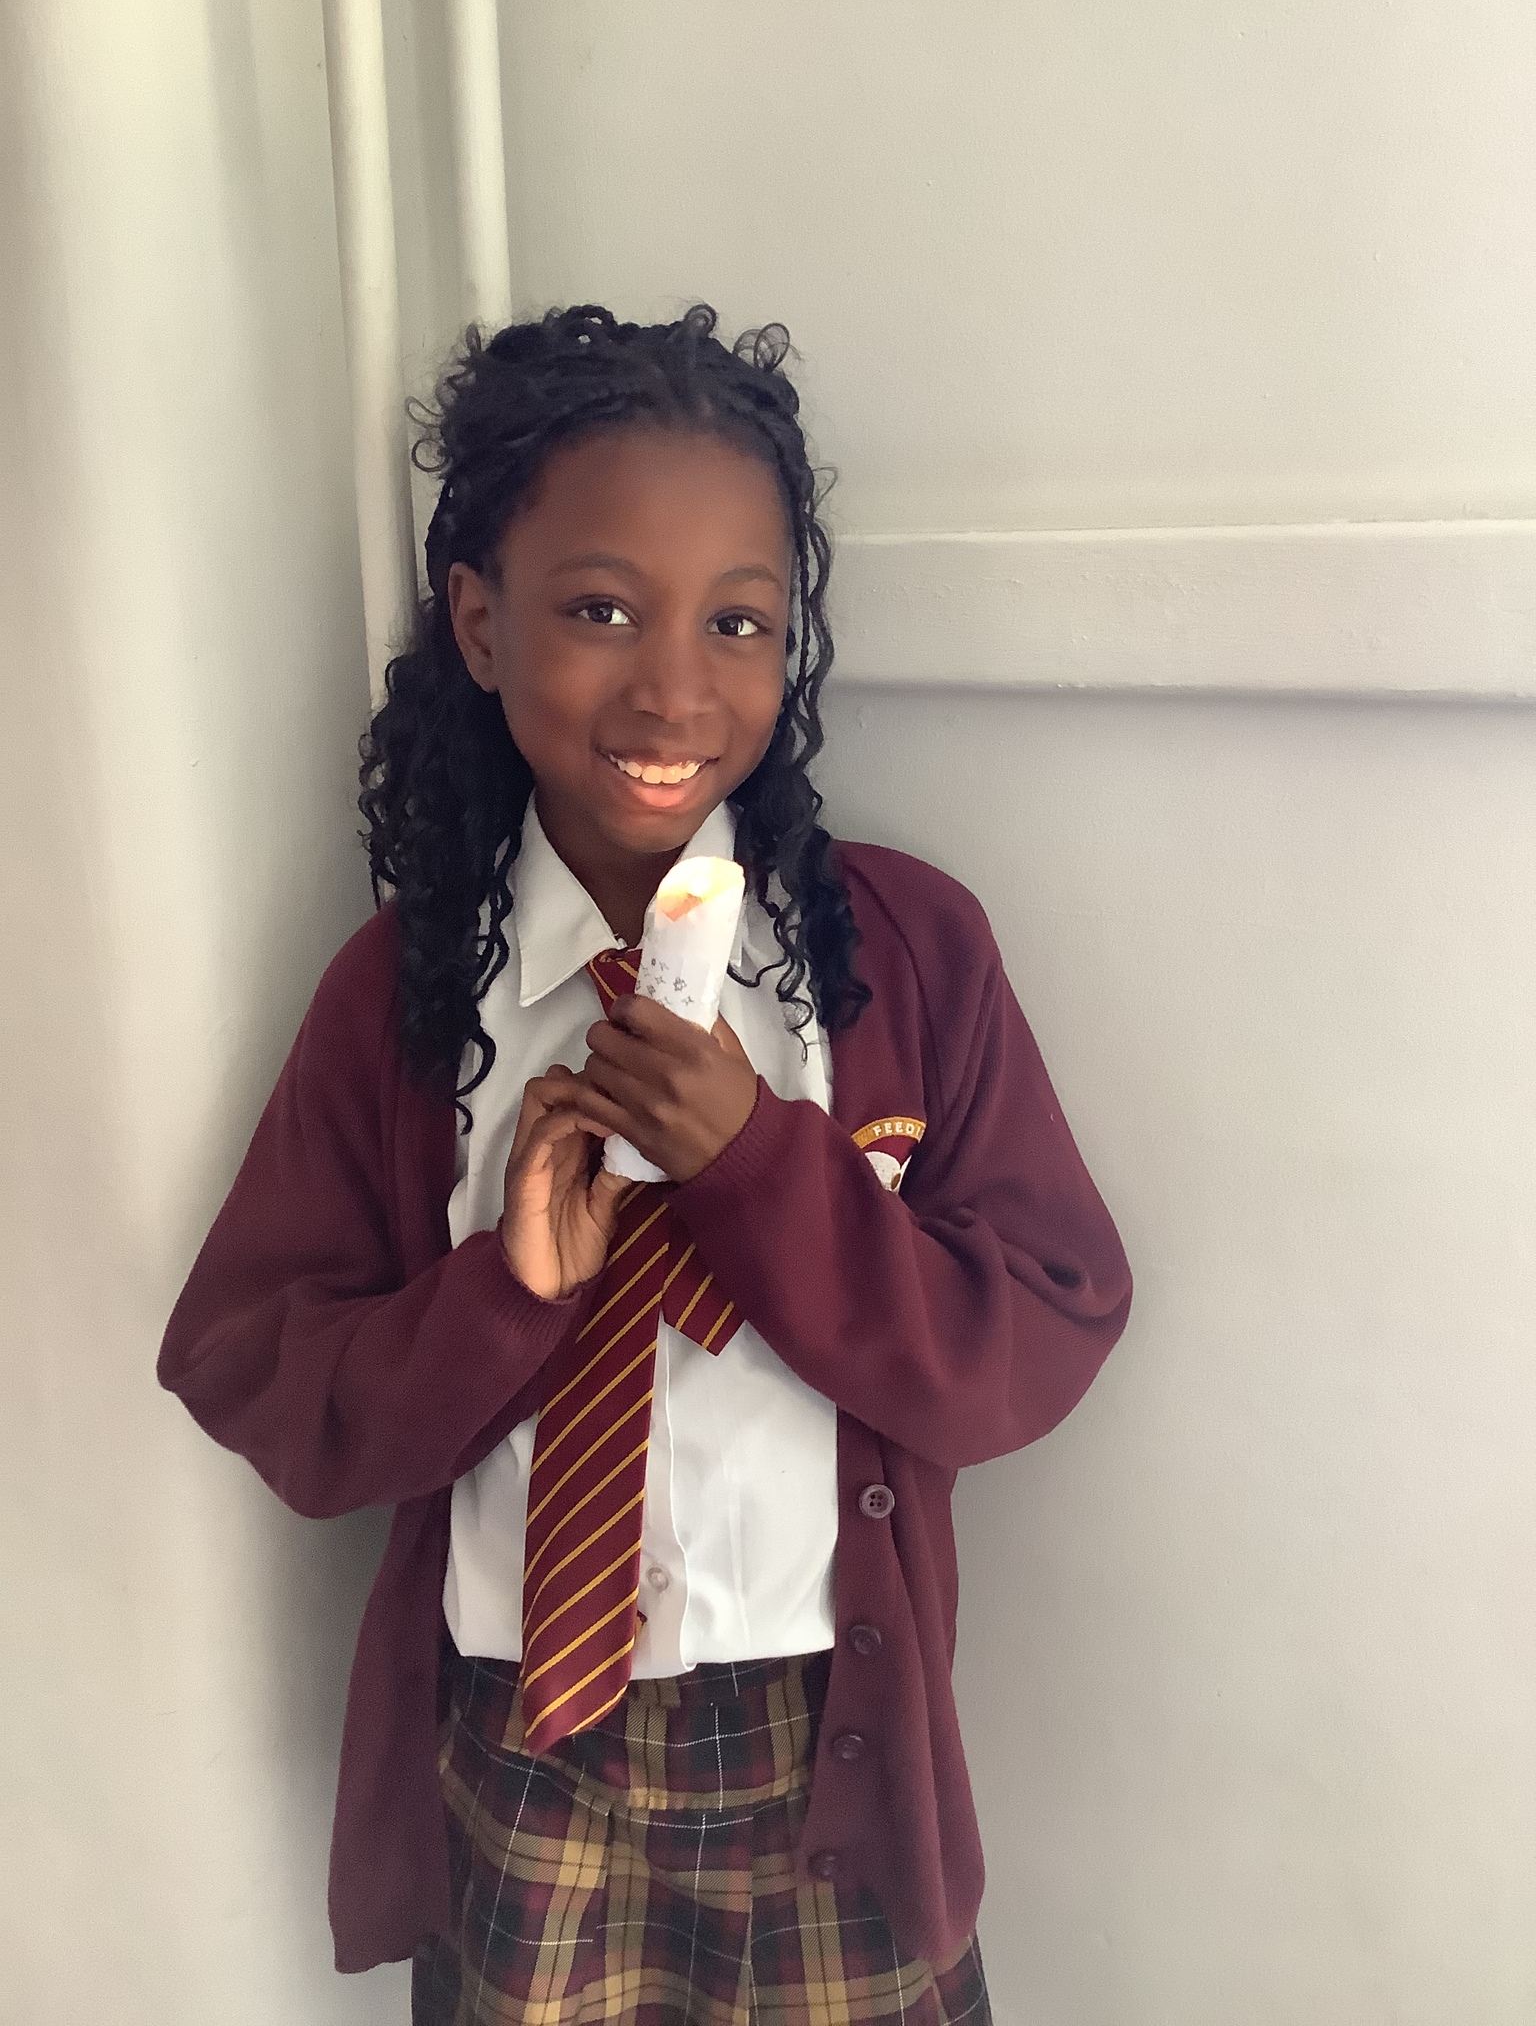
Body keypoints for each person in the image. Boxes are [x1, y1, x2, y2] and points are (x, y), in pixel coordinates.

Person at [158, 304, 1133, 2026]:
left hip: (831, 1747)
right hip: (522, 1756)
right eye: (602, 609)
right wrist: (502, 1298)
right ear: (480, 622)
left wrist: (758, 1167)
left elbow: (1036, 1335)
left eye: (739, 621)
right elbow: (257, 1372)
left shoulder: (903, 960)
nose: (676, 688)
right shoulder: (403, 997)